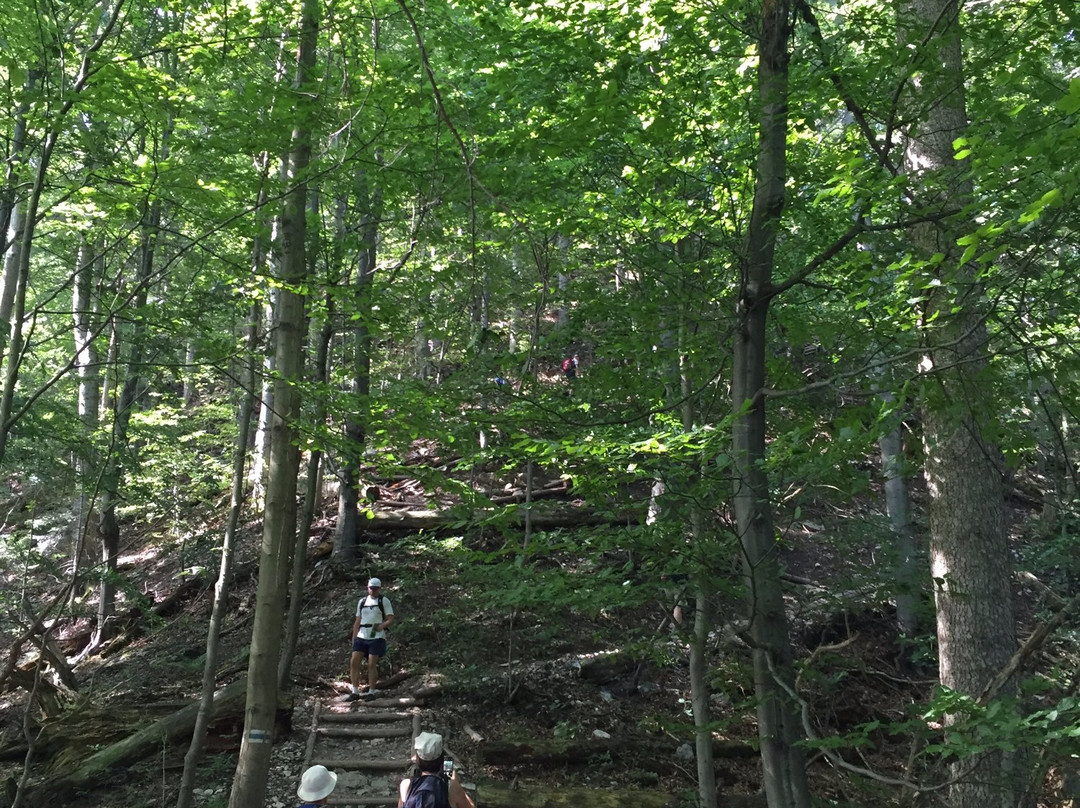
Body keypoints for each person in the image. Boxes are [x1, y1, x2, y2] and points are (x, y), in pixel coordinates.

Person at [398, 732, 475, 808]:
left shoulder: (406, 785)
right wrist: (454, 781)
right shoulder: (450, 786)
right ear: (441, 759)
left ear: (418, 760)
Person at [348, 577, 395, 700]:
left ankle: (372, 691)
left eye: (375, 588)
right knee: (354, 662)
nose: (373, 591)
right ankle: (355, 691)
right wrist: (354, 637)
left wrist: (382, 626)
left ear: (379, 588)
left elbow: (390, 618)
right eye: (371, 588)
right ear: (367, 588)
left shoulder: (383, 601)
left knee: (371, 664)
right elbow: (357, 620)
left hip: (376, 635)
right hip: (362, 634)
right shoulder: (362, 601)